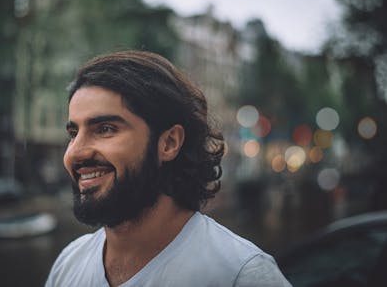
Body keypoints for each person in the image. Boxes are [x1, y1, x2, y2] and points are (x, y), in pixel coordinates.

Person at [45, 50, 291, 286]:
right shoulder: (68, 263)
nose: (75, 152)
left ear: (169, 143)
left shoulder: (242, 274)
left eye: (105, 129)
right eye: (73, 133)